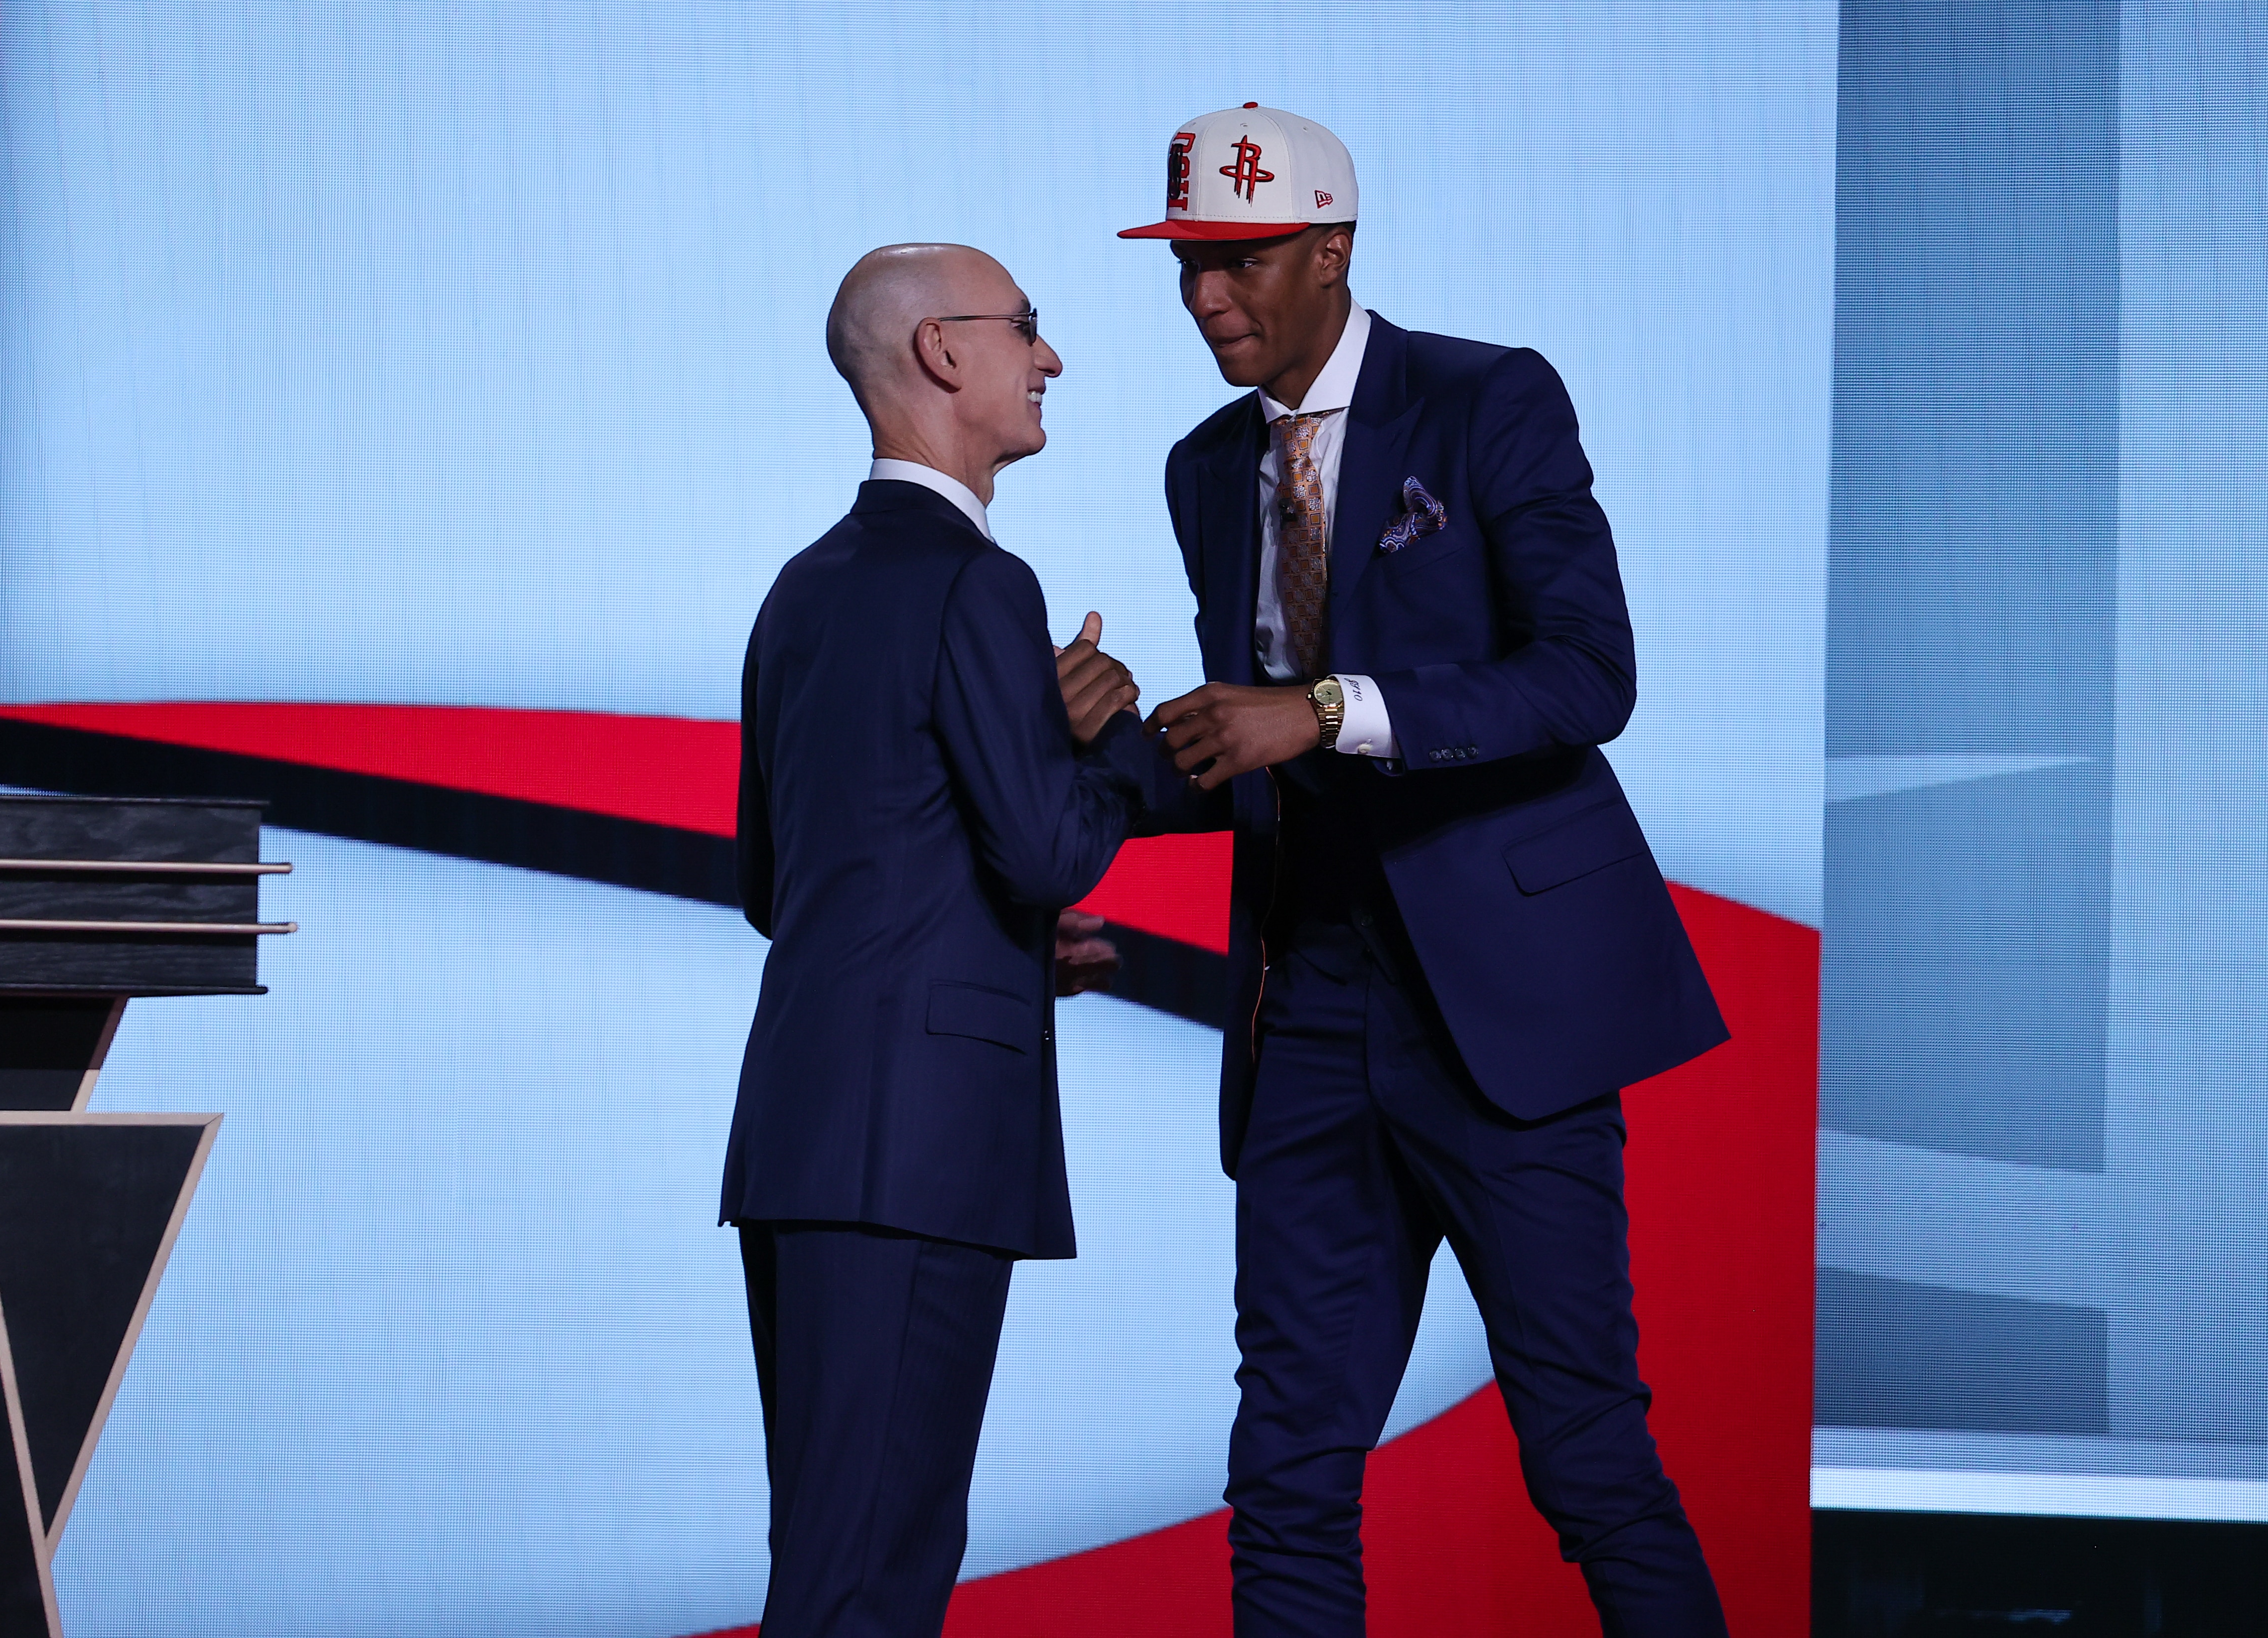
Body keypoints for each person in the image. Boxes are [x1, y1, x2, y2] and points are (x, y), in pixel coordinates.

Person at [1118, 107, 1734, 1636]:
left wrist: (1328, 707)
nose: (1207, 299)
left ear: (1332, 248)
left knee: (1590, 1456)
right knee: (1287, 1478)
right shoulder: (1205, 471)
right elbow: (1241, 750)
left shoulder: (1487, 401)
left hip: (1501, 1020)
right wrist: (1075, 757)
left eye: (1239, 261)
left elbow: (1588, 676)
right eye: (1188, 265)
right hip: (1308, 1011)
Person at [720, 242, 1146, 1635]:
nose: (1053, 358)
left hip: (805, 1131)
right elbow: (1049, 844)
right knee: (872, 1578)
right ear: (944, 355)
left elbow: (790, 885)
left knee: (841, 1556)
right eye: (1028, 329)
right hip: (913, 1152)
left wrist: (1006, 942)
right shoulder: (984, 585)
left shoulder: (801, 587)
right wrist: (1112, 752)